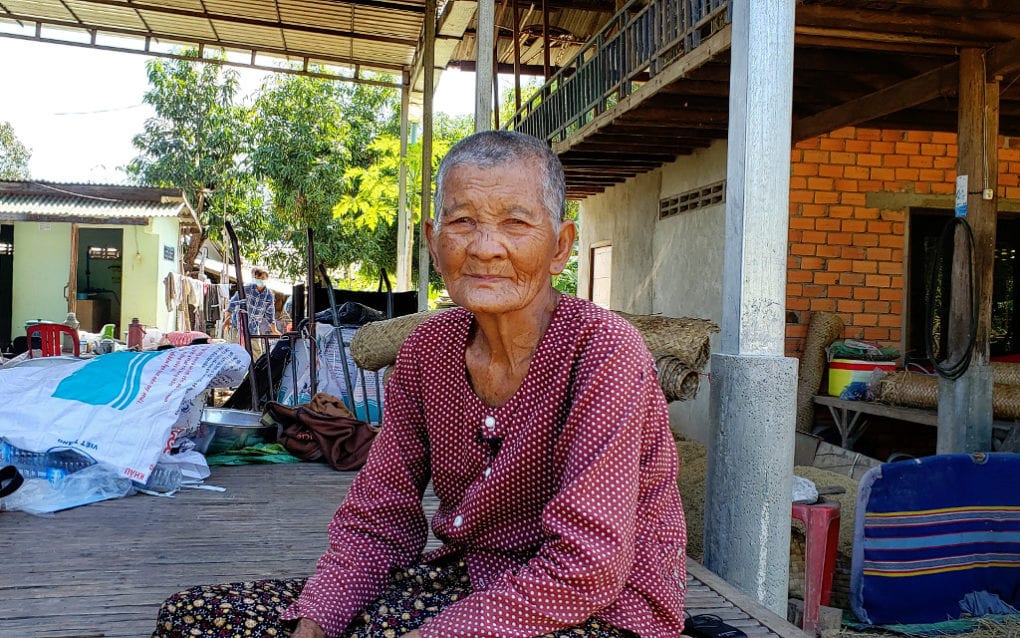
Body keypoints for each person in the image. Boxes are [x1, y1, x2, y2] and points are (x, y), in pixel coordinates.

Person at [152, 130, 687, 638]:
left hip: (602, 609)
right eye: (462, 221)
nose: (484, 248)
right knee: (196, 618)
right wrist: (317, 620)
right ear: (435, 240)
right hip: (468, 579)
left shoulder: (604, 352)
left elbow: (588, 566)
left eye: (516, 224)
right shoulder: (429, 352)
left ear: (560, 246)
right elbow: (377, 520)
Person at [223, 267, 280, 359]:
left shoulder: (268, 295)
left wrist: (274, 330)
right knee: (233, 351)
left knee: (256, 353)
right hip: (237, 326)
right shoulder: (246, 289)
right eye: (259, 278)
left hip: (253, 327)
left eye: (263, 279)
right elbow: (232, 305)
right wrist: (227, 319)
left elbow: (270, 314)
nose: (261, 281)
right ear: (255, 278)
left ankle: (257, 371)